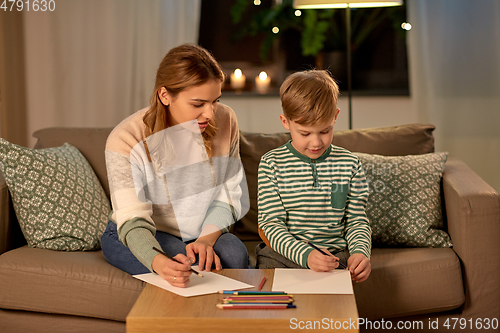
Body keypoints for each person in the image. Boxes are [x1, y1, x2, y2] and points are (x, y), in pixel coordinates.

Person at [101, 44, 250, 287]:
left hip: (201, 228)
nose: (211, 113)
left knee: (235, 255)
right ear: (165, 95)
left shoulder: (226, 120)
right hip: (142, 230)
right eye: (198, 104)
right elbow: (134, 220)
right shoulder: (126, 138)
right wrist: (158, 262)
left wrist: (205, 240)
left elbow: (229, 197)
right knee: (186, 268)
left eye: (215, 101)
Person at [256, 70, 371, 283]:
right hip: (281, 256)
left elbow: (356, 221)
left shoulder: (350, 164)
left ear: (335, 117)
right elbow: (271, 225)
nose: (316, 142)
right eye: (305, 134)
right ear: (285, 121)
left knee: (334, 311)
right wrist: (306, 255)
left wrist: (360, 252)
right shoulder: (271, 163)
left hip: (333, 257)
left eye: (325, 131)